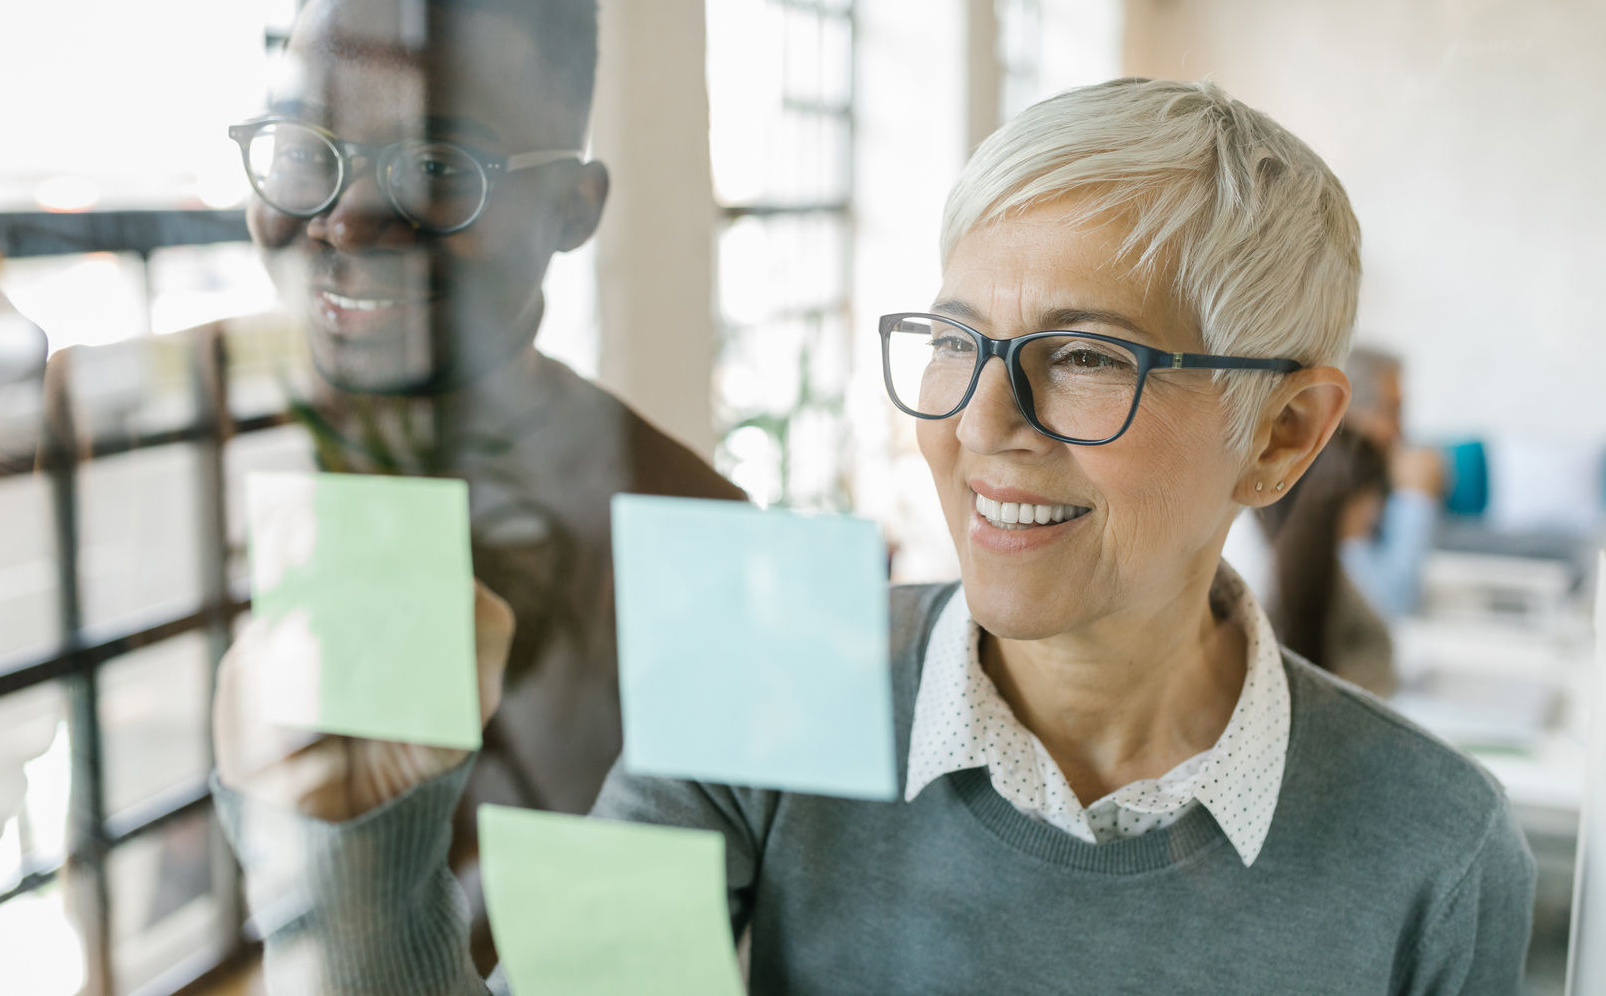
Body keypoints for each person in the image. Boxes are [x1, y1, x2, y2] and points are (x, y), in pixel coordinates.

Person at [214, 78, 1535, 993]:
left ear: (1285, 434)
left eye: (1083, 356)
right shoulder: (766, 662)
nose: (985, 422)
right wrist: (361, 847)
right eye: (956, 343)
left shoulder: (1436, 845)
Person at [220, 0, 744, 964]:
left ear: (572, 211)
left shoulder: (695, 548)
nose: (344, 216)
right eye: (302, 147)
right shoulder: (185, 465)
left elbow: (629, 977)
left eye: (438, 169)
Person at [1255, 425, 1397, 696]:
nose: (1375, 513)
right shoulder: (1289, 567)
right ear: (1348, 497)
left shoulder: (1328, 563)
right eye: (1373, 498)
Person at [1338, 346, 1447, 617]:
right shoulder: (1338, 486)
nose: (1400, 431)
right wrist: (1416, 499)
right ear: (1348, 412)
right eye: (1391, 411)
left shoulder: (1373, 483)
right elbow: (1388, 605)